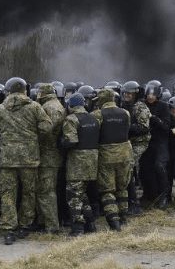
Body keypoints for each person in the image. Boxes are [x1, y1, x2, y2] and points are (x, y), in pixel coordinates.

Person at [0, 77, 53, 245]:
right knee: (29, 193)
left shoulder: (0, 109)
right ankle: (25, 225)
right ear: (24, 90)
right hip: (29, 158)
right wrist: (32, 135)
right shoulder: (35, 107)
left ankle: (8, 229)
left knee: (7, 194)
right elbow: (46, 127)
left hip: (7, 158)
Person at [92, 89, 133, 230]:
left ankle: (113, 221)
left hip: (106, 156)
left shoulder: (98, 114)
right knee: (122, 187)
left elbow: (94, 133)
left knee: (107, 190)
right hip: (125, 155)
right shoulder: (125, 113)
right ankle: (123, 217)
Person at [60, 92, 99, 236]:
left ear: (71, 105)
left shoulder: (71, 119)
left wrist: (61, 143)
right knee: (82, 194)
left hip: (78, 162)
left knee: (73, 196)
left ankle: (78, 228)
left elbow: (71, 141)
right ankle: (90, 224)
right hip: (93, 160)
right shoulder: (94, 118)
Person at [35, 83, 65, 233]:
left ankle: (51, 226)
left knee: (46, 191)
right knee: (45, 190)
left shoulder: (50, 108)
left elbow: (47, 130)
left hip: (49, 155)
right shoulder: (55, 104)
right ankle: (44, 222)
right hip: (51, 154)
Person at [120, 81, 150, 215]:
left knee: (129, 167)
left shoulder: (140, 107)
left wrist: (126, 127)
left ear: (135, 94)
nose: (126, 95)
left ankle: (134, 203)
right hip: (128, 142)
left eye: (129, 93)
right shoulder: (124, 105)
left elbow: (144, 127)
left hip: (140, 142)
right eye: (125, 93)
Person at [141, 80, 170, 208]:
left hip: (160, 141)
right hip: (146, 142)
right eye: (149, 94)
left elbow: (166, 126)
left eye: (153, 94)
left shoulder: (163, 106)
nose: (150, 97)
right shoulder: (141, 105)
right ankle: (148, 194)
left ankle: (164, 196)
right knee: (144, 168)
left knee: (159, 166)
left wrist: (154, 119)